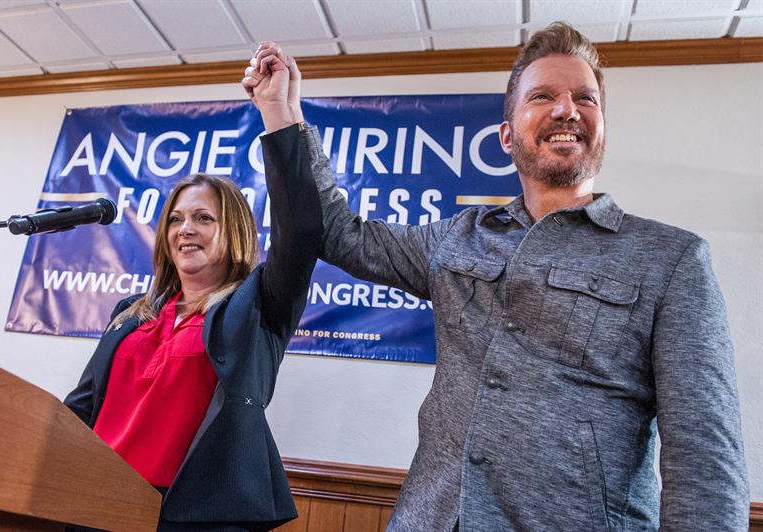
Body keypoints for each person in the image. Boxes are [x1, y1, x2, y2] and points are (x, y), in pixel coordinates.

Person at [242, 22, 749, 532]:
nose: (566, 109)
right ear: (507, 136)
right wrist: (281, 113)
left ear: (602, 127)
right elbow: (337, 232)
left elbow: (705, 450)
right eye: (543, 96)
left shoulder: (672, 259)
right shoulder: (456, 238)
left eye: (585, 99)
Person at [64, 122, 323, 529]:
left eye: (203, 218)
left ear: (234, 231)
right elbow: (79, 408)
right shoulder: (130, 314)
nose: (185, 229)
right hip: (96, 504)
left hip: (190, 516)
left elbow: (301, 233)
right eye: (176, 219)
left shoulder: (258, 308)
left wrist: (278, 117)